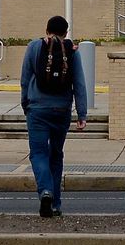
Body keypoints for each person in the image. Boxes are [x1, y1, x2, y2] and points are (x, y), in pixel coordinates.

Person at [19, 15, 87, 217]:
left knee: (38, 153)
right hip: (61, 111)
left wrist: (26, 103)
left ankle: (45, 191)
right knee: (56, 156)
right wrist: (81, 113)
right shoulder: (71, 51)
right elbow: (79, 84)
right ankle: (55, 204)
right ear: (66, 33)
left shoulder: (33, 47)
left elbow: (25, 79)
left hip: (37, 109)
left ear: (46, 30)